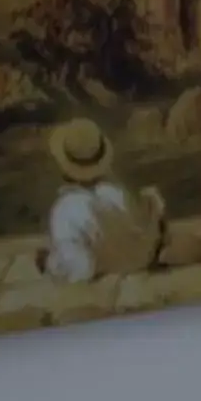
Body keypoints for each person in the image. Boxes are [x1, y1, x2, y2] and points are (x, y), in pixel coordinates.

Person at [41, 117, 163, 284]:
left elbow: (80, 268)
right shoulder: (117, 190)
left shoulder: (66, 209)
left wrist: (49, 263)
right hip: (141, 259)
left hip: (110, 269)